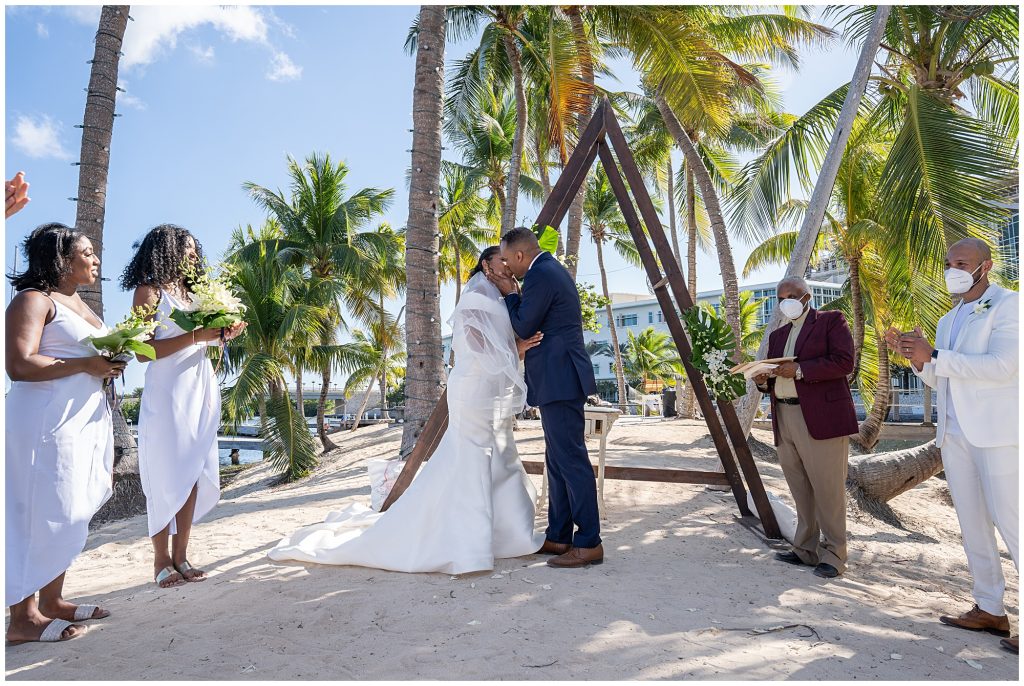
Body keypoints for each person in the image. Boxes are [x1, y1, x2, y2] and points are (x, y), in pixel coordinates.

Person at [268, 248, 545, 574]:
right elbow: (477, 348)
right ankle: (470, 546)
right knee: (473, 460)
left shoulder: (502, 299)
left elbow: (502, 344)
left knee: (500, 456)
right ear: (486, 265)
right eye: (503, 262)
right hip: (472, 391)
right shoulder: (474, 298)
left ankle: (509, 536)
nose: (510, 268)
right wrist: (517, 349)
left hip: (491, 392)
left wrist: (516, 328)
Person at [885, 238, 1018, 654]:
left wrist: (936, 355)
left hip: (999, 434)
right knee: (973, 523)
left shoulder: (1009, 305)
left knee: (1014, 523)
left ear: (986, 267)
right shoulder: (947, 319)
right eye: (948, 263)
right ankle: (990, 607)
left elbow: (1003, 367)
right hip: (955, 435)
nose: (952, 269)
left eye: (961, 262)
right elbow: (938, 379)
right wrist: (916, 357)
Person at [6, 223, 126, 644]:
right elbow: (19, 365)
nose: (95, 259)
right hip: (44, 421)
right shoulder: (33, 300)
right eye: (88, 252)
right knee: (37, 510)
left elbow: (91, 356)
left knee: (68, 508)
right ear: (61, 258)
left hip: (83, 419)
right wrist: (86, 366)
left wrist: (112, 361)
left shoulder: (80, 305)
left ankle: (52, 601)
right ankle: (22, 617)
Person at [120, 224, 245, 589]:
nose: (193, 255)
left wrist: (223, 332)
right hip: (167, 390)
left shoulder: (195, 294)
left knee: (191, 470)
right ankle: (160, 560)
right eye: (187, 249)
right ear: (167, 251)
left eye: (194, 250)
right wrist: (197, 336)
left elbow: (202, 341)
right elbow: (143, 352)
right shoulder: (149, 292)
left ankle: (182, 555)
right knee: (164, 473)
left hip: (199, 386)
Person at [486, 227, 602, 569]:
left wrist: (509, 293)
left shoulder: (541, 274)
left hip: (561, 378)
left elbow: (523, 325)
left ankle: (589, 541)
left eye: (507, 260)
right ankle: (560, 535)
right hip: (557, 377)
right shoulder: (546, 269)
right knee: (557, 460)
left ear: (520, 256)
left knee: (571, 459)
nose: (506, 267)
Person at [754, 276, 856, 579]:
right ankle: (805, 549)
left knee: (828, 488)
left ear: (806, 297)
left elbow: (844, 362)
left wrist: (800, 369)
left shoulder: (831, 321)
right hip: (784, 416)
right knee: (799, 486)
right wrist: (763, 381)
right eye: (780, 297)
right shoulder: (777, 335)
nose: (786, 301)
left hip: (821, 417)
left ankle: (835, 554)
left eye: (791, 295)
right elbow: (775, 378)